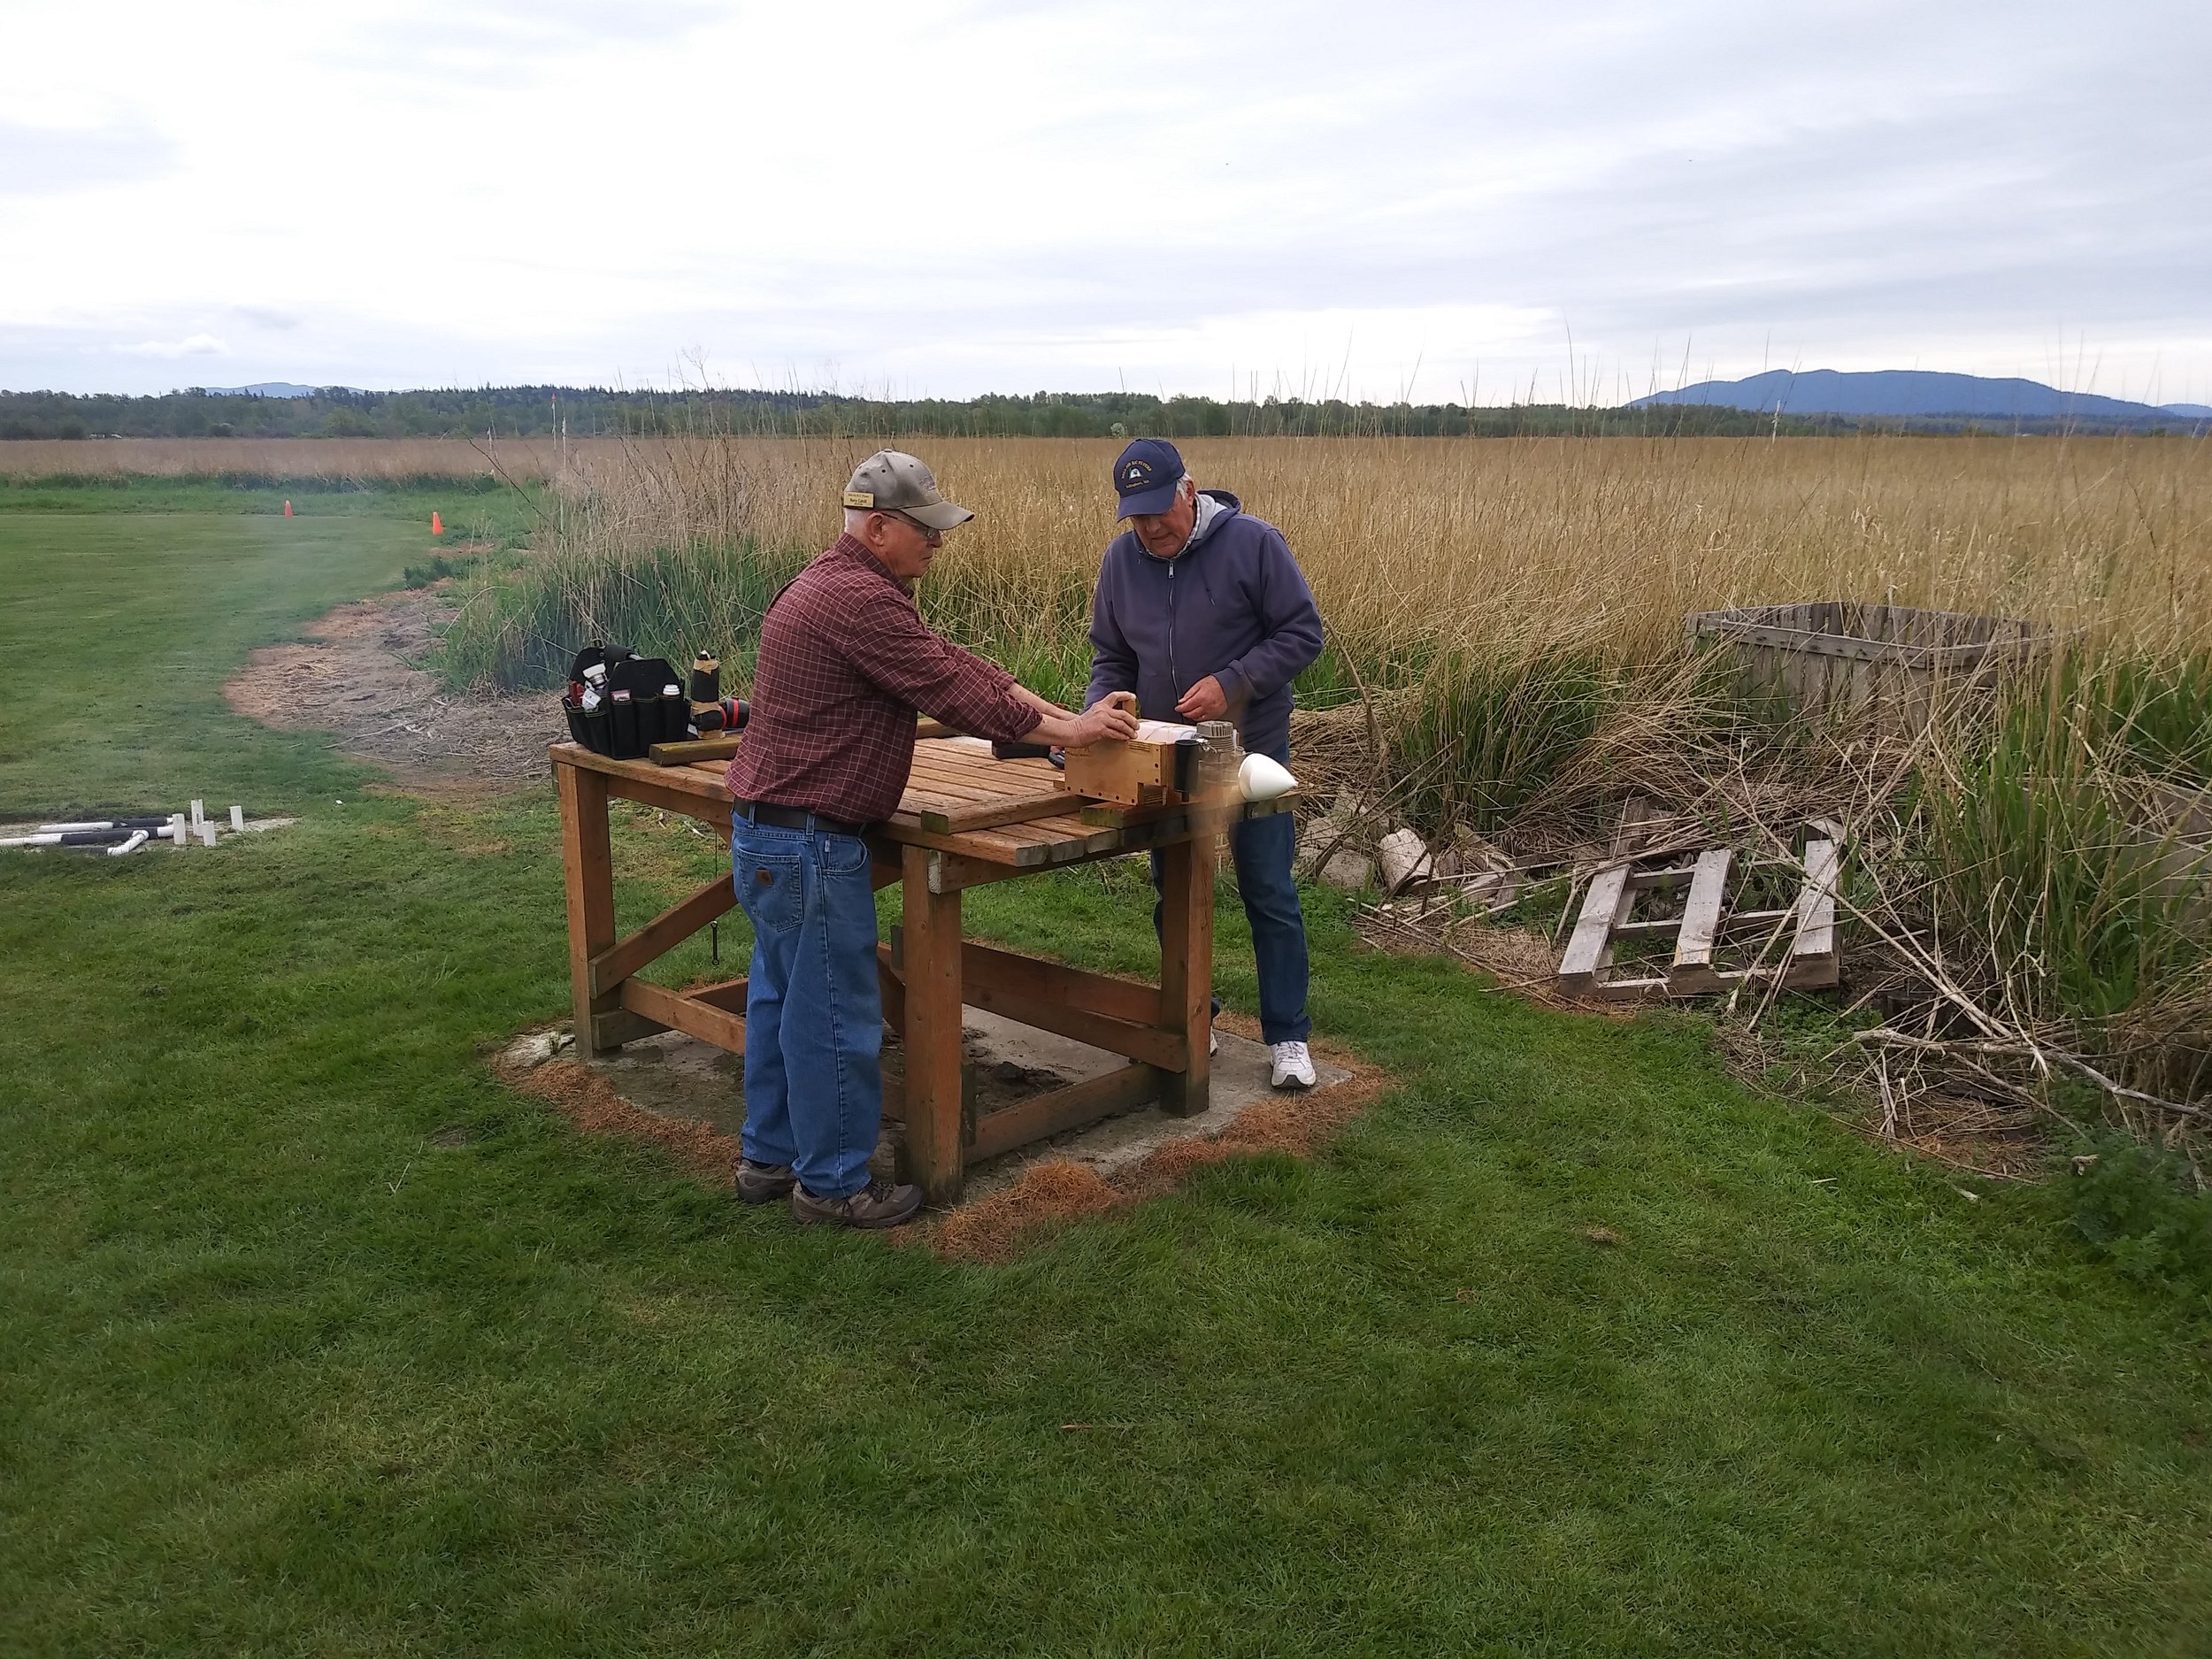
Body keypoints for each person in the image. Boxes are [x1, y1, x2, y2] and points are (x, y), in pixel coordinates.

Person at [723, 450, 1138, 1228]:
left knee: (784, 1004)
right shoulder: (859, 602)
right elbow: (953, 689)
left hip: (771, 834)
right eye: (926, 531)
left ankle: (769, 1158)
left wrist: (1065, 721)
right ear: (878, 528)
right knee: (836, 1018)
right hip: (810, 842)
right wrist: (1072, 728)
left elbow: (958, 666)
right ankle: (836, 1186)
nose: (938, 544)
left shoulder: (841, 583)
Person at [1085, 439, 1325, 1089]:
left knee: (1268, 887)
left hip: (1251, 752)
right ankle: (1196, 1016)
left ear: (1189, 492)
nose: (1151, 527)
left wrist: (1233, 681)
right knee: (1176, 888)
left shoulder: (1254, 543)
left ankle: (1289, 1037)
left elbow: (1304, 633)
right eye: (1136, 517)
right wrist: (1100, 710)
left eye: (1160, 510)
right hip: (1164, 755)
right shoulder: (1120, 561)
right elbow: (1110, 653)